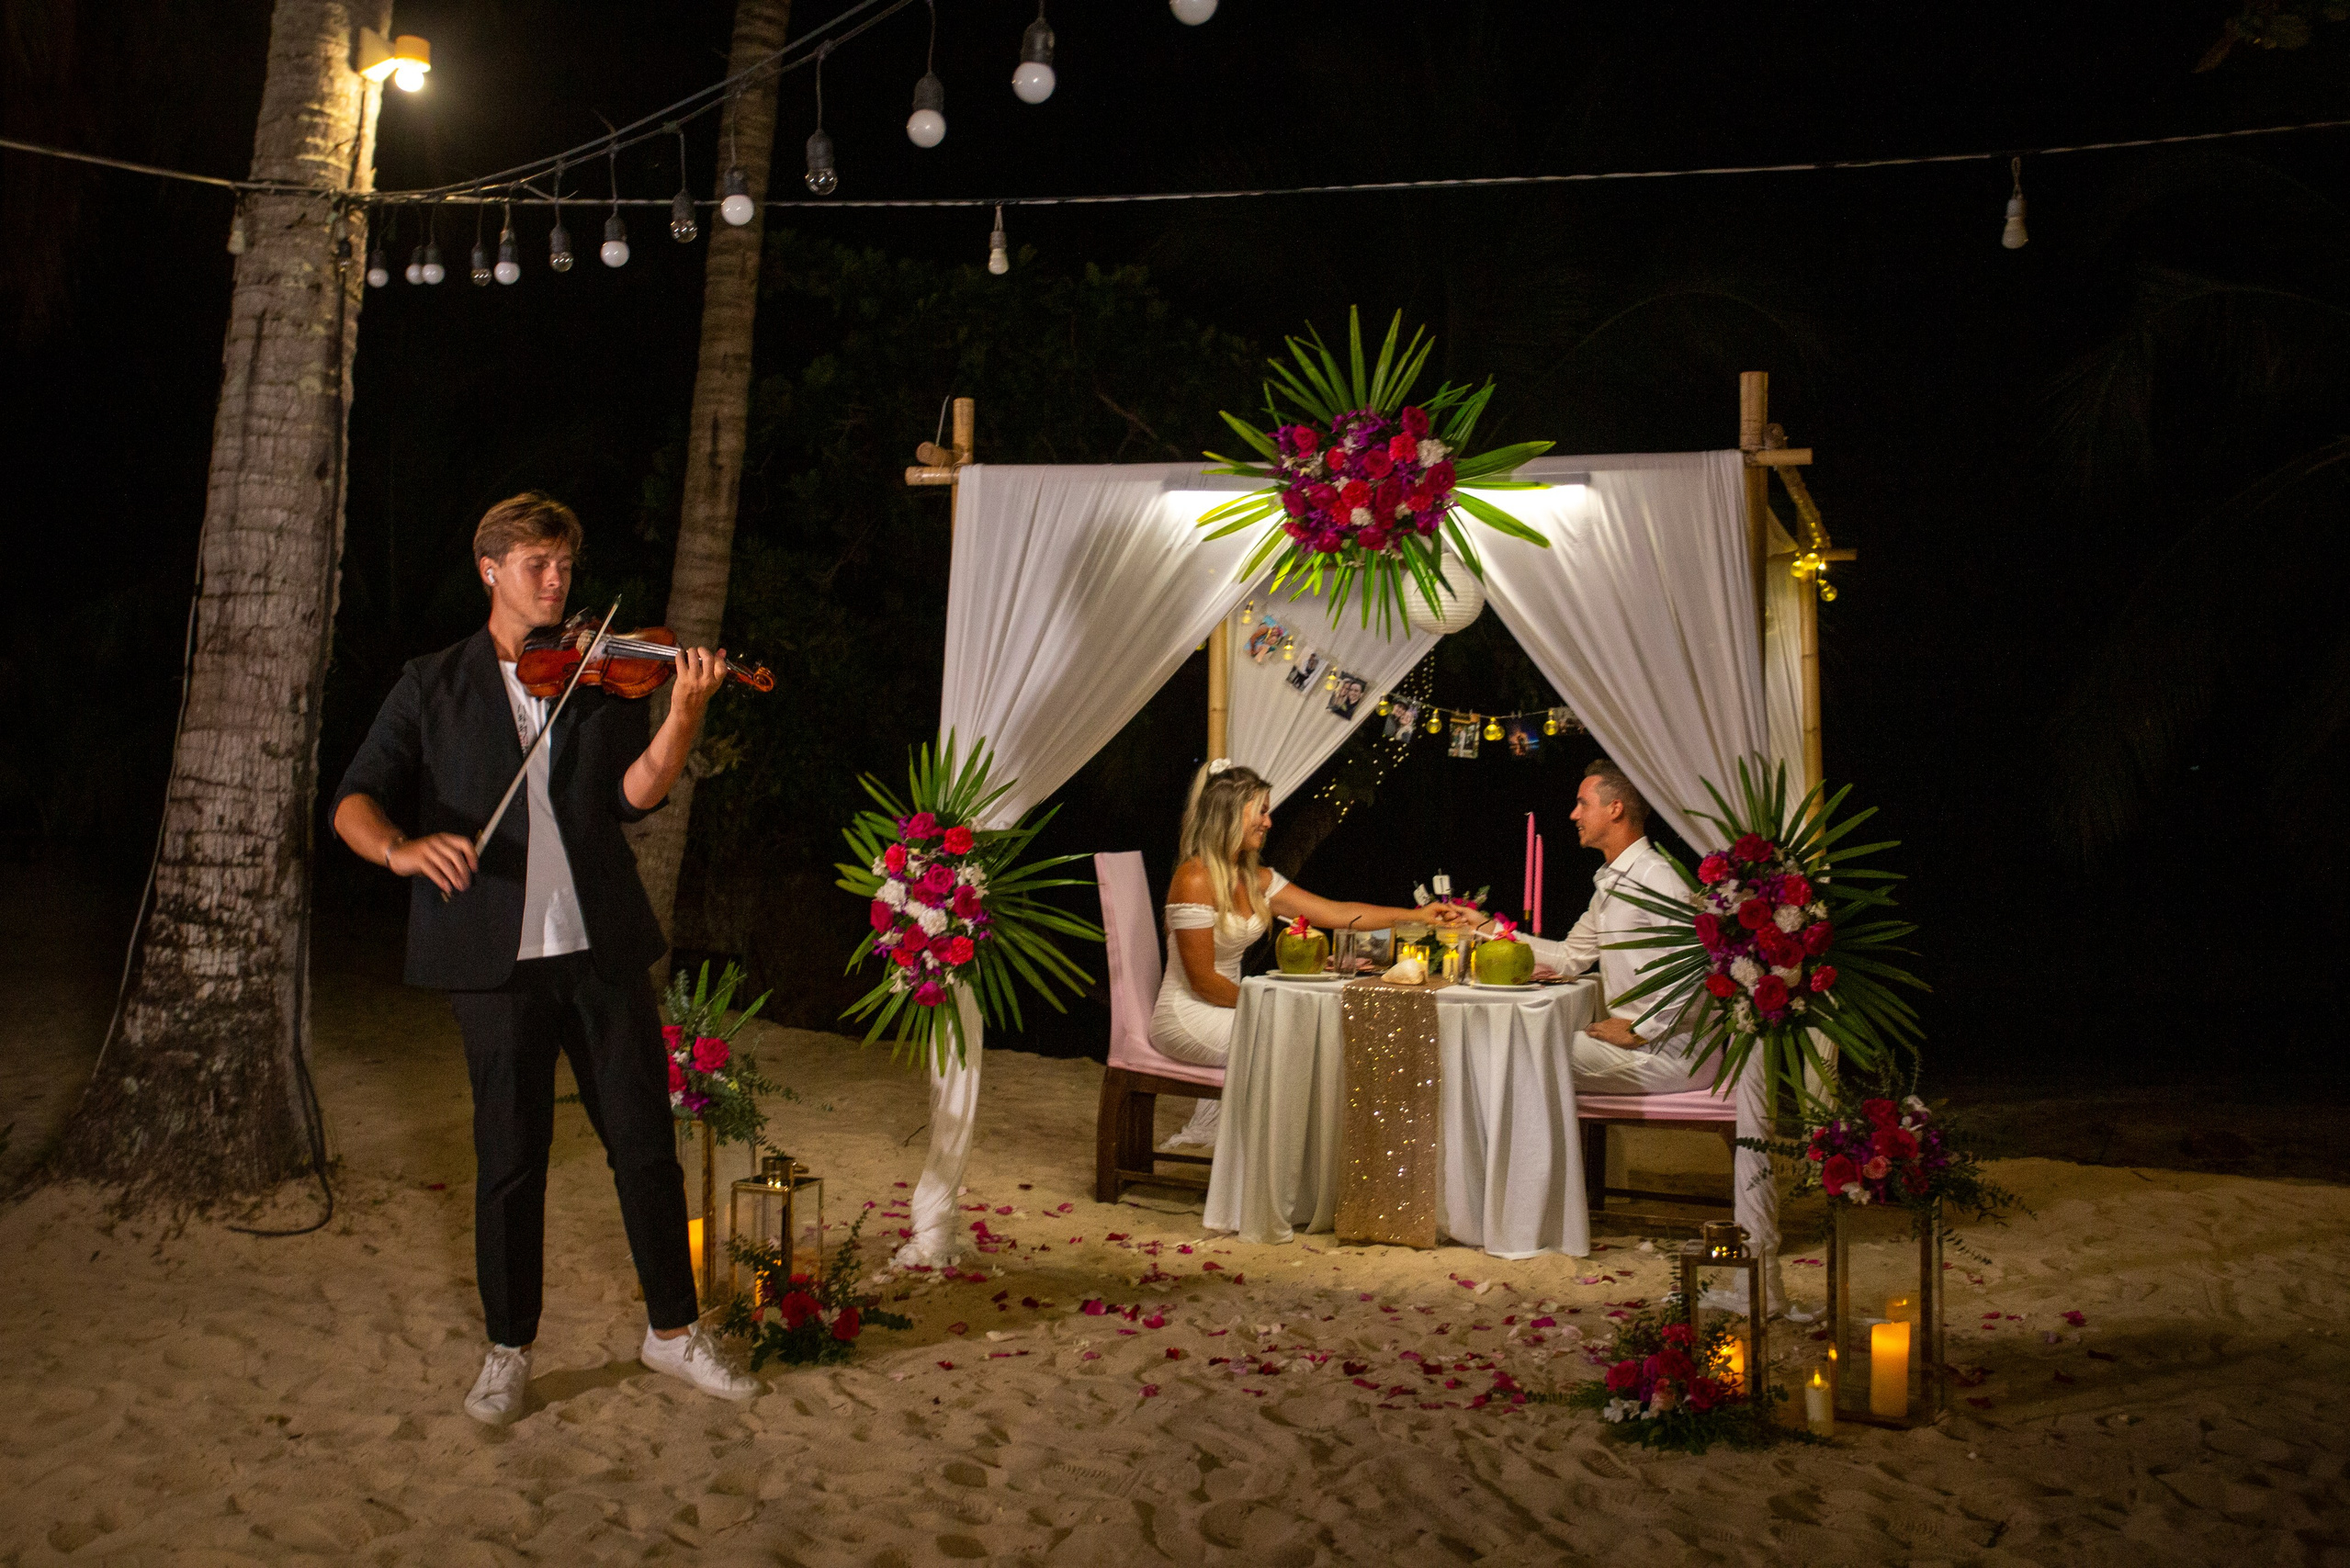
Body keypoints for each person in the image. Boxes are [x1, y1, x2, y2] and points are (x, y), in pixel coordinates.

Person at [331, 491, 760, 1424]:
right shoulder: (433, 683)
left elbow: (635, 795)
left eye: (565, 564)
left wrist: (684, 712)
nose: (558, 580)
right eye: (538, 564)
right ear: (490, 570)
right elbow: (354, 799)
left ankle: (673, 1332)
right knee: (510, 1159)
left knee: (643, 1147)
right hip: (495, 963)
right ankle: (508, 1347)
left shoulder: (596, 676)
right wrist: (400, 849)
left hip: (598, 948)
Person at [1470, 758, 1794, 1316]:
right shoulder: (1611, 883)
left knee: (1522, 1053)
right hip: (1645, 1047)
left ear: (1615, 809)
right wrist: (1484, 930)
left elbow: (1700, 968)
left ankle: (1528, 1211)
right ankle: (1523, 1204)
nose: (1573, 814)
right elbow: (1569, 957)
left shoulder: (1658, 879)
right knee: (1517, 1050)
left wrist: (1642, 1027)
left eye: (1583, 803)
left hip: (1673, 1054)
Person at [1149, 760, 1472, 1149]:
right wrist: (1272, 1003)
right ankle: (1275, 1156)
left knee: (1311, 1036)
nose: (1269, 822)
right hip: (1189, 1015)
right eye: (1262, 812)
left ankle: (1301, 1155)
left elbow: (1336, 913)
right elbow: (1202, 983)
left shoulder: (1257, 878)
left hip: (1234, 1008)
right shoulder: (1194, 878)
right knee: (1298, 1039)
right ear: (1232, 814)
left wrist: (1419, 916)